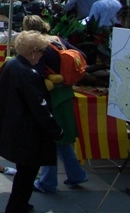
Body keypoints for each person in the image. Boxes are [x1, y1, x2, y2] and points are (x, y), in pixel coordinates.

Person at [0, 31, 63, 213]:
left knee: (23, 172)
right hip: (28, 132)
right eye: (42, 51)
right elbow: (39, 107)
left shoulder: (10, 64)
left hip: (12, 126)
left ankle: (20, 204)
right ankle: (17, 207)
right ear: (34, 52)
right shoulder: (29, 73)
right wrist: (55, 130)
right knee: (27, 174)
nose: (43, 55)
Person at [20, 15, 89, 193]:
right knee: (61, 138)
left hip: (52, 95)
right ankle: (76, 175)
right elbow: (82, 55)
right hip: (66, 91)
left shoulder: (39, 46)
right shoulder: (58, 40)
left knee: (49, 137)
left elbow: (37, 72)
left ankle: (48, 182)